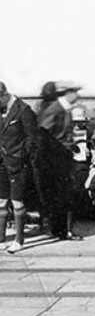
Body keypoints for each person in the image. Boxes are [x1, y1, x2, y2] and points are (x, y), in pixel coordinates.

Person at [37, 80, 82, 240]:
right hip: (56, 159)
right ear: (68, 93)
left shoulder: (62, 108)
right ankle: (62, 231)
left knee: (64, 194)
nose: (77, 95)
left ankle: (62, 230)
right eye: (75, 92)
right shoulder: (56, 109)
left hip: (62, 156)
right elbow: (43, 134)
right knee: (62, 194)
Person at [0, 83, 38, 253]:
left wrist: (21, 155)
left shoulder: (23, 110)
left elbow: (32, 138)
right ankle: (1, 238)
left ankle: (19, 239)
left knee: (17, 202)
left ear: (4, 95)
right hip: (1, 162)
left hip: (17, 162)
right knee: (1, 201)